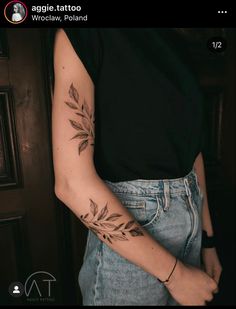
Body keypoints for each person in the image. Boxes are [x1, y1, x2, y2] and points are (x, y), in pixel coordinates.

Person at [52, 28, 222, 305]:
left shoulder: (177, 42)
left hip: (191, 219)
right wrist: (176, 276)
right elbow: (72, 184)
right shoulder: (85, 34)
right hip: (133, 235)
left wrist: (208, 242)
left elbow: (192, 152)